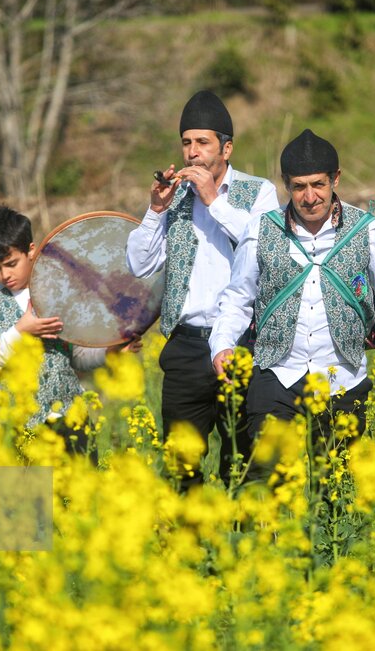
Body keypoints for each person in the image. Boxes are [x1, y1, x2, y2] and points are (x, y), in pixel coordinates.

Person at [209, 129, 375, 442]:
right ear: (286, 185)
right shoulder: (261, 229)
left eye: (318, 185)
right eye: (299, 187)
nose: (310, 197)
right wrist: (222, 343)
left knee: (334, 485)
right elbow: (238, 298)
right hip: (276, 376)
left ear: (335, 179)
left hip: (343, 381)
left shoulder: (369, 230)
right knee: (268, 480)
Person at [126, 90, 280, 472]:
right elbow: (139, 264)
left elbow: (271, 251)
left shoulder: (259, 192)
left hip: (245, 346)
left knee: (245, 465)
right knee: (181, 467)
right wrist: (155, 209)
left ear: (226, 150)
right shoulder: (174, 198)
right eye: (186, 143)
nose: (193, 153)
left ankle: (244, 533)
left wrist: (214, 200)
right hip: (186, 349)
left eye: (203, 143)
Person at [0, 205, 139, 443]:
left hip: (72, 421)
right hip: (22, 429)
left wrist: (109, 352)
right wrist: (21, 332)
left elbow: (76, 354)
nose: (4, 275)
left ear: (31, 250)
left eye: (11, 264)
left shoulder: (60, 291)